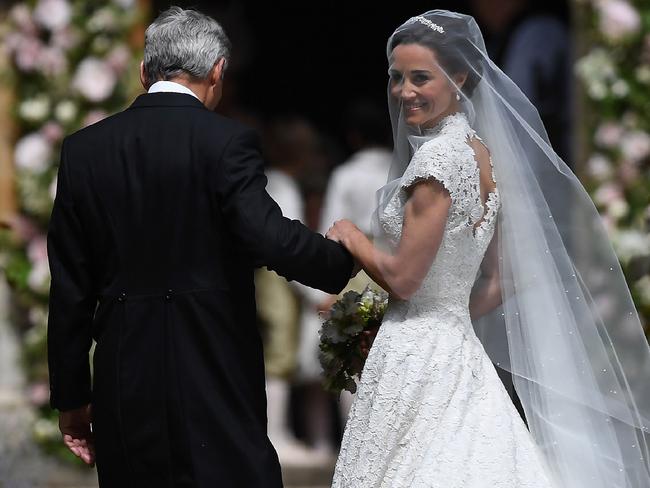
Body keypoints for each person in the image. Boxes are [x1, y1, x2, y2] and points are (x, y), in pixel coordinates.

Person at [327, 10, 650, 487]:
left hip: (416, 354)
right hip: (458, 347)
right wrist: (451, 312)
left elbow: (404, 279)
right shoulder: (479, 152)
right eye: (397, 78)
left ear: (458, 77)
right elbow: (507, 278)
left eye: (420, 78)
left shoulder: (437, 160)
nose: (404, 91)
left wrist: (351, 237)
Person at [46, 7, 353, 487]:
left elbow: (70, 289)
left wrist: (71, 398)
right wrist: (344, 261)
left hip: (125, 377)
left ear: (145, 72)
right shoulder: (226, 141)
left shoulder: (84, 151)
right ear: (218, 72)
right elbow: (267, 235)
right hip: (215, 367)